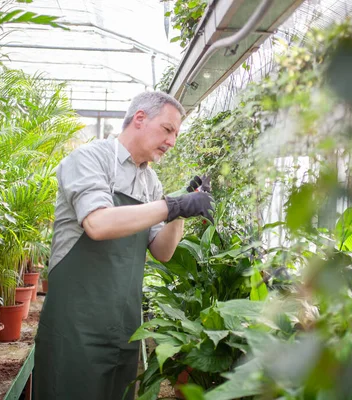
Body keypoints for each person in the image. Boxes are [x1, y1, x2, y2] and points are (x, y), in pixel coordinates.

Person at [33, 91, 214, 399]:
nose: (172, 141)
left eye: (176, 134)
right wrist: (172, 205)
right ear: (140, 119)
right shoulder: (89, 159)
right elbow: (98, 224)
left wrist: (182, 210)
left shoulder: (150, 182)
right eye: (168, 130)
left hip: (123, 327)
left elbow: (163, 251)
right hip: (77, 325)